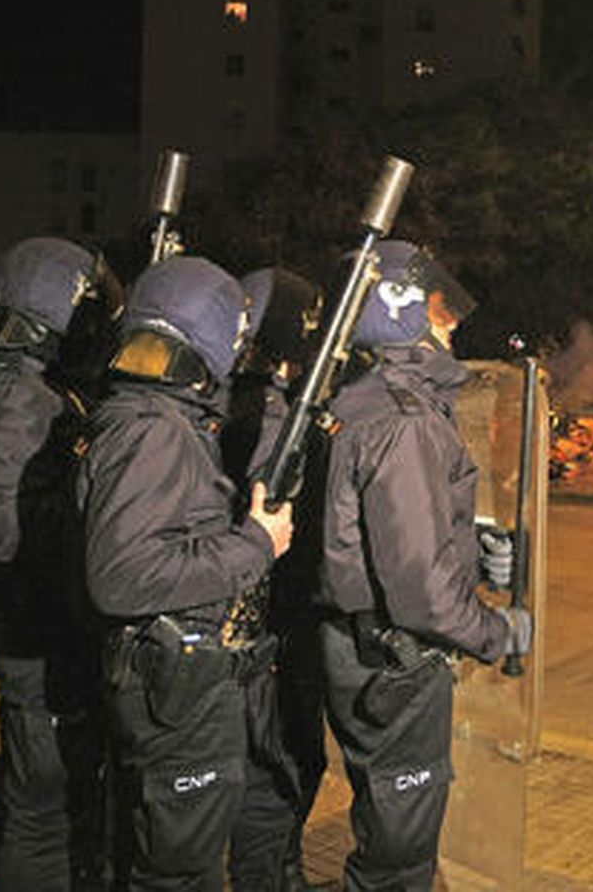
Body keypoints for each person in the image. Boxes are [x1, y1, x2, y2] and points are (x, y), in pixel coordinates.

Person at [299, 241, 531, 892]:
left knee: (389, 825)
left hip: (364, 647)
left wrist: (472, 545)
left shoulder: (366, 402)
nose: (453, 320)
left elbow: (386, 534)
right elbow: (420, 590)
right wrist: (500, 632)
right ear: (397, 313)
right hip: (396, 658)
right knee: (398, 855)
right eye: (436, 305)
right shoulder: (402, 421)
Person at [77, 255, 294, 891]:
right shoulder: (156, 432)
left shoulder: (147, 411)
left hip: (172, 680)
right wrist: (256, 544)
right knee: (179, 873)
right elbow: (121, 575)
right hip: (178, 691)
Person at [0, 236, 122, 891]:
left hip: (33, 621)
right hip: (38, 629)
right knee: (42, 801)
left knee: (39, 787)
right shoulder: (16, 396)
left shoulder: (20, 383)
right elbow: (3, 528)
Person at [224, 266, 331, 892]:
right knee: (280, 770)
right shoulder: (269, 418)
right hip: (271, 624)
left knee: (277, 768)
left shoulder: (228, 400)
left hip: (257, 623)